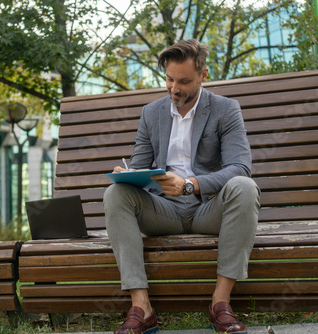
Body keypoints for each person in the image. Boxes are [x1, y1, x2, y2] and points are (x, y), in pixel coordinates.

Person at [104, 39, 260, 334]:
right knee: (116, 193)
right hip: (163, 212)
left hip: (208, 209)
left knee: (245, 186)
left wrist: (190, 185)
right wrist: (128, 174)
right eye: (169, 79)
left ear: (203, 76)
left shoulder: (225, 109)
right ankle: (142, 307)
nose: (174, 88)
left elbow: (240, 168)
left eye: (184, 81)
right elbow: (140, 165)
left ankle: (220, 303)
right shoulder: (152, 113)